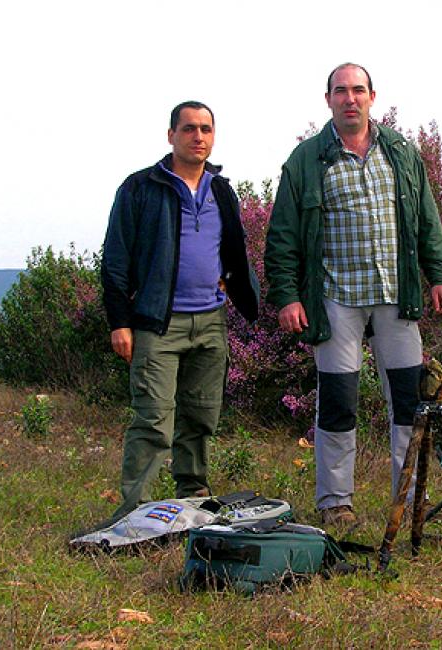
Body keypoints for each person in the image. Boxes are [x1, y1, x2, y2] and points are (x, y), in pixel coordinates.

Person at [264, 63, 442, 526]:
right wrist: (288, 295)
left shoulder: (401, 153)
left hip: (397, 296)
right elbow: (283, 235)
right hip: (335, 300)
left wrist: (439, 275)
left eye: (358, 90)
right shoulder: (306, 159)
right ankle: (335, 504)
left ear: (373, 96)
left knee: (409, 404)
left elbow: (427, 219)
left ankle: (410, 504)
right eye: (340, 91)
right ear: (327, 99)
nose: (350, 99)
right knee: (338, 402)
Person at [101, 101, 260, 519]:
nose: (199, 137)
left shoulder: (221, 190)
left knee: (200, 415)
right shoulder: (140, 188)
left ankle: (192, 500)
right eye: (189, 129)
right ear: (171, 135)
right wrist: (120, 322)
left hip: (211, 322)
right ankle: (135, 512)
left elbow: (231, 249)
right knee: (153, 419)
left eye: (206, 129)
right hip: (157, 322)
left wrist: (234, 286)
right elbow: (116, 259)